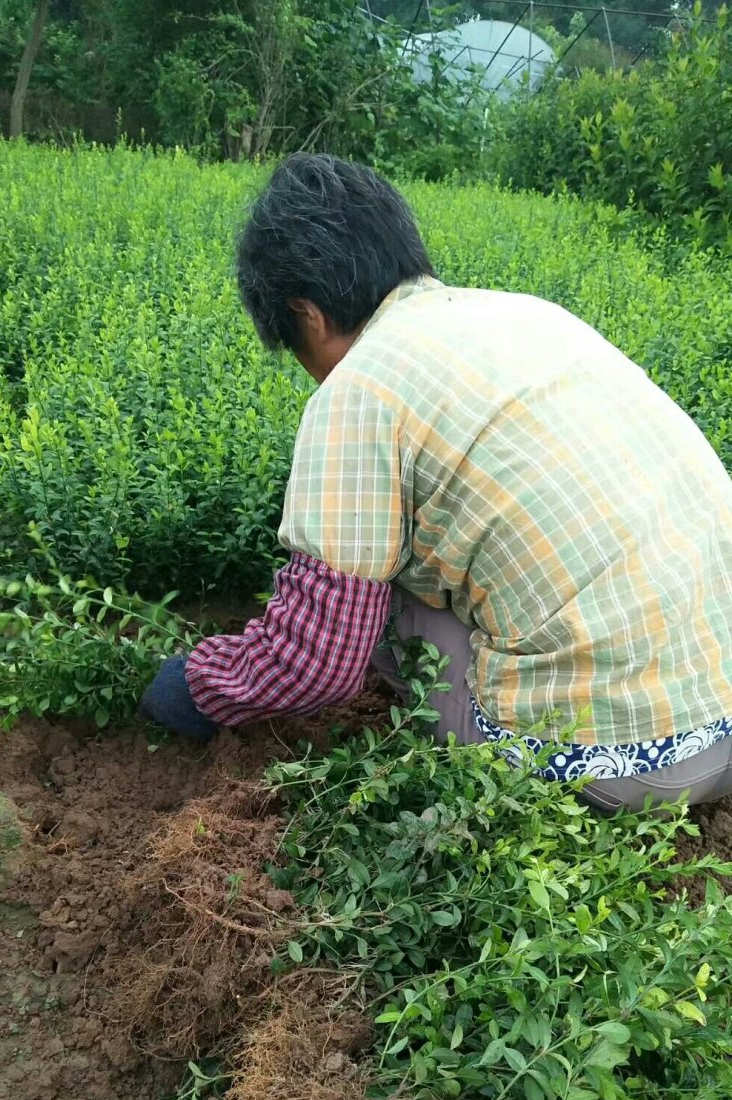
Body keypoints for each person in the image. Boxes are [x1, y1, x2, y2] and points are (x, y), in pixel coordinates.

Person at [139, 154, 732, 810]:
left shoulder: (361, 386)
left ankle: (519, 753)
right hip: (722, 728)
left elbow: (316, 661)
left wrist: (193, 687)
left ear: (305, 315)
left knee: (372, 601)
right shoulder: (527, 316)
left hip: (608, 770)